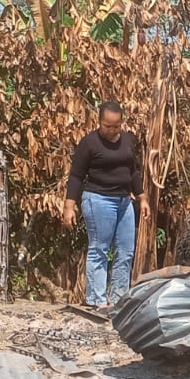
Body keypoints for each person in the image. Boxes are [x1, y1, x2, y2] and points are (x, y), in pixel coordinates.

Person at [62, 100, 141, 308]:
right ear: (99, 122)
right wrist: (69, 206)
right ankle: (96, 300)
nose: (111, 130)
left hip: (124, 201)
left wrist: (142, 197)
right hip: (98, 200)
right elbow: (76, 176)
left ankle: (118, 299)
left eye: (116, 126)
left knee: (126, 251)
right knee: (100, 249)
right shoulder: (89, 143)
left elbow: (133, 171)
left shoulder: (127, 140)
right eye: (107, 126)